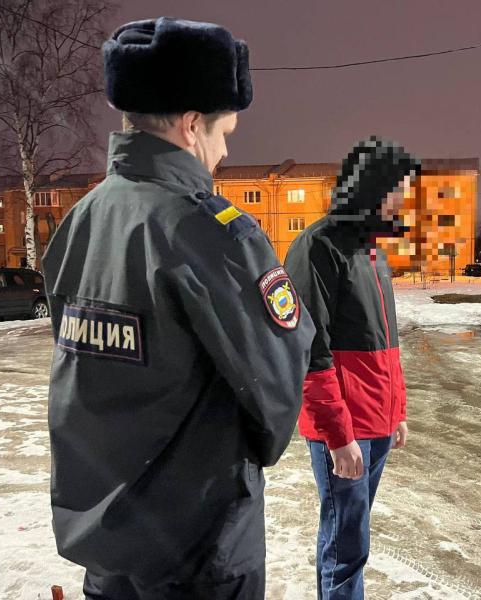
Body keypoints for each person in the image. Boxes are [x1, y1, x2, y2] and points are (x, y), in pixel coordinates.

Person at [42, 17, 315, 600]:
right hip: (196, 546)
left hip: (107, 537)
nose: (224, 150)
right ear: (192, 126)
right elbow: (276, 380)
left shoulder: (84, 217)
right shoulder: (210, 231)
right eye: (224, 133)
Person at [284, 137, 419, 600]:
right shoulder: (317, 246)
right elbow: (308, 350)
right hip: (344, 428)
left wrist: (395, 410)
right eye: (395, 190)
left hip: (375, 423)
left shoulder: (371, 251)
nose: (402, 200)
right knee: (345, 542)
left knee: (354, 534)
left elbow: (386, 342)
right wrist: (338, 435)